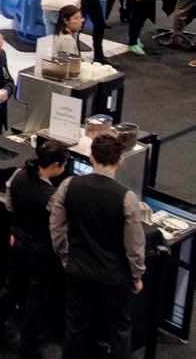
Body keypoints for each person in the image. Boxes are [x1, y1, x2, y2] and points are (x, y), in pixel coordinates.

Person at [49, 134, 147, 359]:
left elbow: (56, 226)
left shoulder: (69, 185)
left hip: (78, 270)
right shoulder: (127, 198)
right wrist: (136, 276)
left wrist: (64, 256)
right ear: (120, 161)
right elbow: (134, 245)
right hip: (115, 277)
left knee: (75, 327)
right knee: (119, 330)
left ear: (91, 157)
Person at [0, 140, 68, 356]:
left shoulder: (18, 175)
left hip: (18, 243)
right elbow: (58, 228)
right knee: (36, 300)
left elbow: (10, 205)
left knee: (10, 289)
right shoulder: (52, 196)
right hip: (41, 252)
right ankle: (27, 347)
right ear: (56, 165)